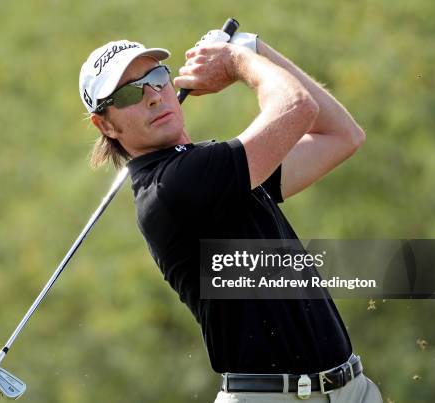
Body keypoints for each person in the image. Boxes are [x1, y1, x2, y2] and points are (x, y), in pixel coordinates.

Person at [78, 31, 383, 403]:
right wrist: (237, 62)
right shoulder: (174, 185)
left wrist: (252, 47)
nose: (154, 96)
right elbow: (297, 107)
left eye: (157, 79)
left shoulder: (219, 171)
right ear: (105, 125)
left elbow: (341, 135)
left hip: (351, 388)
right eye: (130, 93)